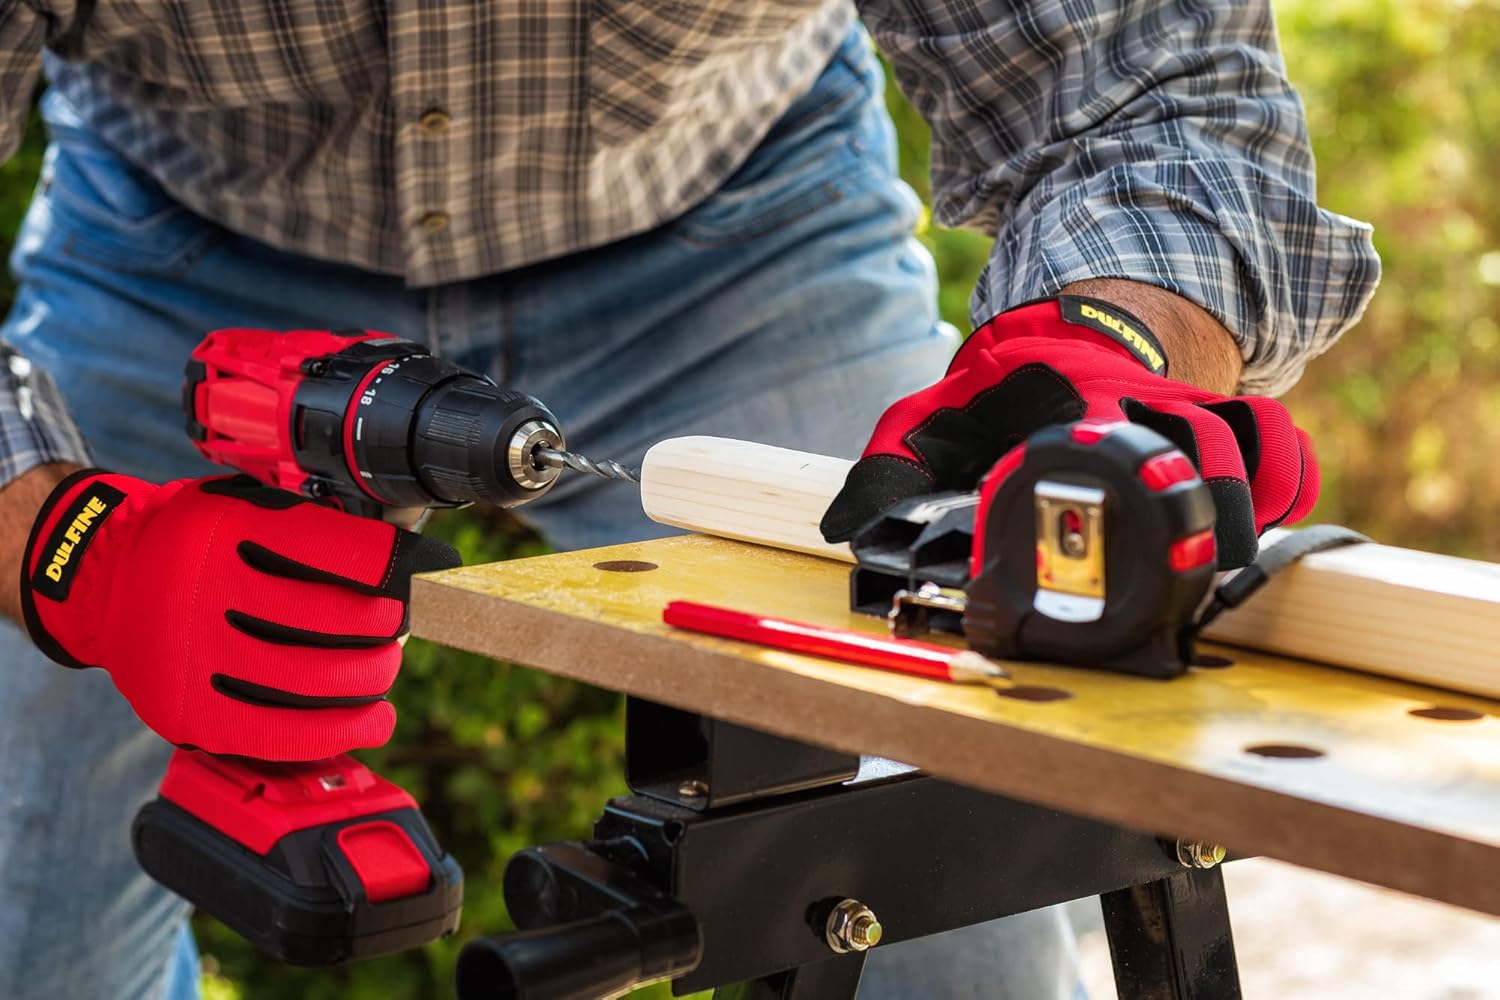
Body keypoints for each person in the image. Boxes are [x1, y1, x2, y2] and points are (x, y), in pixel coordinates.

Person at [0, 2, 1378, 998]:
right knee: (27, 934)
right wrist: (66, 547)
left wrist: (1111, 345)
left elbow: (1147, 89)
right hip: (176, 246)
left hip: (732, 221)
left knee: (958, 901)